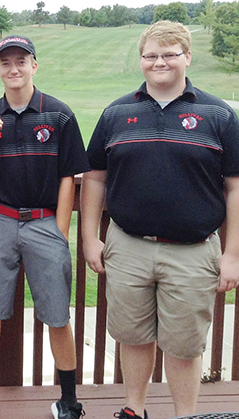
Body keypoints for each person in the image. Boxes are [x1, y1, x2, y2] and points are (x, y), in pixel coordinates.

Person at [80, 20, 239, 419]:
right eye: (151, 55)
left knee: (185, 345)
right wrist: (88, 238)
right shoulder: (117, 112)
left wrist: (233, 254)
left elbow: (235, 188)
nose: (159, 62)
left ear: (187, 57)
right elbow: (95, 179)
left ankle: (184, 415)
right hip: (127, 245)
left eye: (169, 54)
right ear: (141, 60)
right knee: (133, 337)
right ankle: (135, 410)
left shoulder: (218, 114)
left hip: (193, 251)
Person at [0, 35, 90, 419]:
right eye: (5, 62)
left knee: (56, 314)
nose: (13, 69)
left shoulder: (58, 115)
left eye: (21, 61)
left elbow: (69, 177)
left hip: (44, 222)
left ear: (35, 65)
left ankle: (69, 399)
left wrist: (60, 231)